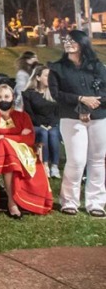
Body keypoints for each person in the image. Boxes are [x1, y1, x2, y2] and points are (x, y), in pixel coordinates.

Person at [49, 30, 106, 217]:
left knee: (97, 160)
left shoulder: (96, 66)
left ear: (82, 43)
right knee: (76, 160)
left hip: (98, 117)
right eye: (66, 40)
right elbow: (57, 94)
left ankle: (96, 202)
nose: (68, 43)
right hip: (71, 118)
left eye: (72, 40)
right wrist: (81, 100)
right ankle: (69, 201)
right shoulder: (57, 68)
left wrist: (90, 107)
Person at [0, 84, 52, 218]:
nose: (3, 99)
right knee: (6, 150)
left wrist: (4, 137)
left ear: (12, 98)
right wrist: (19, 136)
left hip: (22, 154)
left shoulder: (23, 116)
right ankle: (12, 203)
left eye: (6, 96)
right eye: (0, 97)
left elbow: (30, 139)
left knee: (4, 143)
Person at [23, 66, 62, 179]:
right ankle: (44, 165)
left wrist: (50, 124)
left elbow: (58, 113)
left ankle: (54, 166)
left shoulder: (54, 93)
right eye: (46, 76)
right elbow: (29, 113)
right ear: (38, 77)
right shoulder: (28, 94)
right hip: (35, 124)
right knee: (43, 133)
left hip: (52, 124)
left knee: (53, 133)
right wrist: (40, 125)